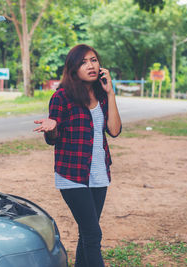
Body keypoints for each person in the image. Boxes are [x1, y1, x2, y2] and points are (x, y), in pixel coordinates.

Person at [34, 44, 122, 267]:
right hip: (72, 175)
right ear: (73, 69)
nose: (90, 65)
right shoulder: (62, 97)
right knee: (93, 234)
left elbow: (114, 130)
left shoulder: (102, 95)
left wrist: (110, 92)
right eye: (83, 62)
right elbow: (53, 138)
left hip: (99, 173)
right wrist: (52, 126)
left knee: (86, 233)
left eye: (93, 60)